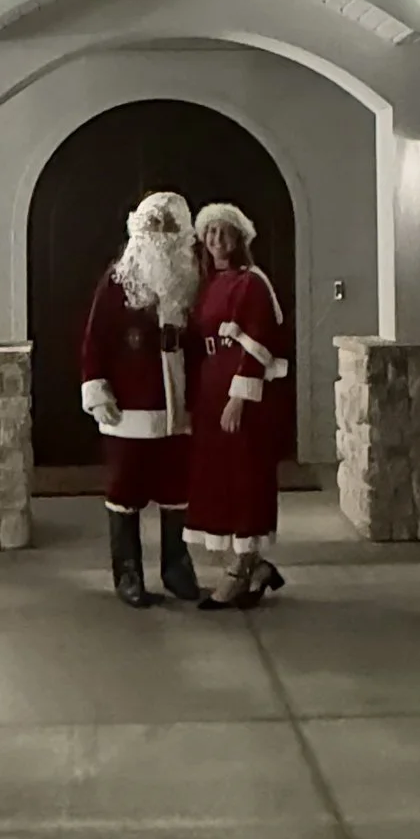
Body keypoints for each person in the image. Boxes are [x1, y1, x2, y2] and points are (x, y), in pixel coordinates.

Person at [79, 188, 202, 608]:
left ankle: (177, 567)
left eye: (170, 225)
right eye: (154, 224)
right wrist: (96, 391)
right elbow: (94, 342)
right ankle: (127, 572)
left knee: (176, 489)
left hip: (178, 407)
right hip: (128, 407)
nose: (161, 233)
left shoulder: (192, 279)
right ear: (139, 228)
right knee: (125, 490)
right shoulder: (117, 281)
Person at [186, 202, 291, 608]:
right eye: (210, 232)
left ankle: (241, 566)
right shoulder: (211, 283)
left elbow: (260, 341)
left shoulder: (252, 284)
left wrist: (237, 398)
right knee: (222, 479)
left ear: (240, 238)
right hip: (212, 388)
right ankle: (255, 567)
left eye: (224, 232)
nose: (216, 240)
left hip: (242, 394)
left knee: (245, 476)